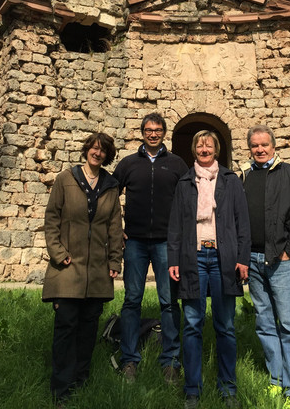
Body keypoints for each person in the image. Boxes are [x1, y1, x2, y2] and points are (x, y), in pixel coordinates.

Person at [168, 130, 251, 409]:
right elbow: (176, 224)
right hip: (193, 257)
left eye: (209, 145)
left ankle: (228, 390)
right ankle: (192, 390)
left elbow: (242, 221)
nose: (204, 149)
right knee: (192, 324)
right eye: (199, 145)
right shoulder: (184, 183)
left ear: (216, 149)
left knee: (225, 325)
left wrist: (243, 258)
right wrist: (174, 259)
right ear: (194, 150)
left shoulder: (230, 180)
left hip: (222, 258)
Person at [42, 132, 123, 406]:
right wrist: (57, 252)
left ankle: (81, 380)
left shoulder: (111, 186)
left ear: (107, 156)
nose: (97, 154)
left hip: (98, 270)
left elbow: (114, 227)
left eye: (103, 151)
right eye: (94, 148)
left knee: (88, 328)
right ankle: (60, 389)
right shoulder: (65, 179)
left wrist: (114, 260)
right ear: (86, 150)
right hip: (68, 267)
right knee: (66, 327)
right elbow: (52, 217)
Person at [242, 125, 290, 409]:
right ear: (250, 148)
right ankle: (276, 379)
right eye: (254, 146)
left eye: (264, 145)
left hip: (281, 262)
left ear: (274, 146)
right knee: (264, 322)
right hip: (253, 260)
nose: (260, 149)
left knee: (289, 325)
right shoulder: (245, 177)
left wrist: (289, 251)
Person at [113, 112, 188, 383]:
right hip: (134, 241)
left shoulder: (177, 164)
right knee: (132, 300)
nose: (153, 134)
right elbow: (111, 194)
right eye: (148, 130)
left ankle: (170, 361)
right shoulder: (128, 164)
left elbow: (187, 200)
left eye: (157, 130)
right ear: (142, 132)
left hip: (166, 242)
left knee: (169, 302)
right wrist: (115, 228)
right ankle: (129, 360)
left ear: (164, 133)